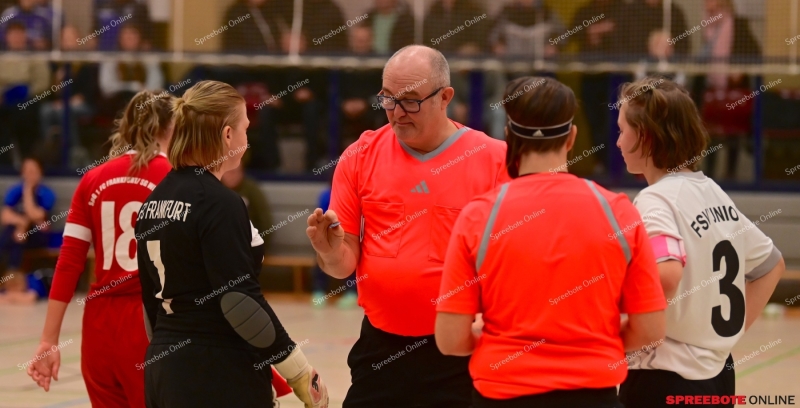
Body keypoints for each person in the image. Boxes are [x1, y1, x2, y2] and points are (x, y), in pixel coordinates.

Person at [434, 77, 667, 408]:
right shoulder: (618, 212)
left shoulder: (478, 217)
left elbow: (449, 340)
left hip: (502, 393)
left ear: (508, 136)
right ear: (571, 138)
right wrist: (594, 347)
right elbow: (650, 330)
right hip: (594, 396)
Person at [306, 45, 510, 407]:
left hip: (462, 353)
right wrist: (328, 251)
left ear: (445, 96)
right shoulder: (360, 156)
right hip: (381, 349)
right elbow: (342, 265)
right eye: (387, 99)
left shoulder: (494, 160)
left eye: (411, 101)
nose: (397, 113)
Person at [136, 80, 328, 408]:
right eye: (245, 129)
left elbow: (149, 302)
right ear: (227, 136)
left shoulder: (152, 202)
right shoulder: (220, 203)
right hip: (216, 370)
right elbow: (239, 302)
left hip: (163, 368)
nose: (247, 139)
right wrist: (298, 372)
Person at [614, 77, 785, 408]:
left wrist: (619, 336)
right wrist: (720, 339)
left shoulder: (655, 200)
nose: (618, 142)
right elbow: (771, 266)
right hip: (719, 374)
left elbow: (666, 275)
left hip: (664, 377)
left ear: (646, 137)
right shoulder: (711, 191)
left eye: (622, 131)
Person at [25, 90, 174, 407]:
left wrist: (49, 340)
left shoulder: (92, 179)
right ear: (169, 128)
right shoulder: (176, 179)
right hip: (150, 323)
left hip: (98, 327)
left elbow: (69, 264)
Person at [0, 157, 55, 304]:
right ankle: (10, 284)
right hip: (16, 233)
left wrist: (28, 190)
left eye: (33, 171)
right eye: (26, 171)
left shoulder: (46, 193)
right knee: (10, 238)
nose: (29, 174)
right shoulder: (14, 191)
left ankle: (12, 287)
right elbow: (5, 216)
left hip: (38, 235)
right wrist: (21, 223)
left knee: (19, 237)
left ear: (40, 173)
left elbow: (35, 214)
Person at [310, 184, 357, 309]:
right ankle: (319, 290)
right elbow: (322, 216)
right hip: (330, 233)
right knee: (321, 254)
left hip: (351, 234)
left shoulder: (355, 195)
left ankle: (352, 292)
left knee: (353, 257)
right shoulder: (326, 195)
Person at [221, 161, 273, 254]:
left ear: (242, 172)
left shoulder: (251, 190)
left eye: (235, 172)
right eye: (228, 172)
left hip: (249, 246)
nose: (232, 176)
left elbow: (265, 221)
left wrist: (260, 248)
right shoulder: (215, 189)